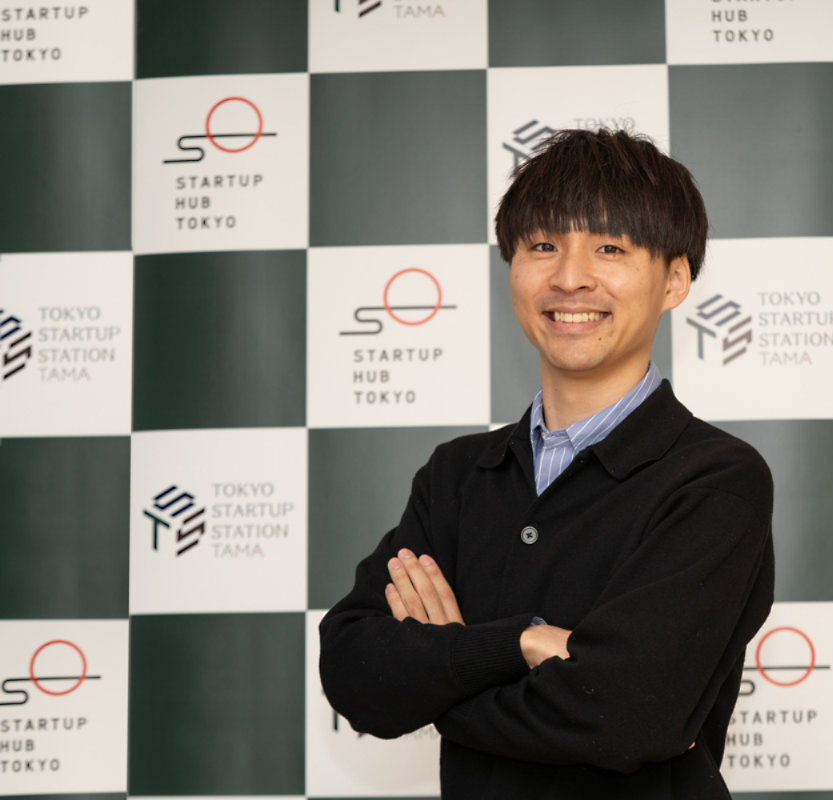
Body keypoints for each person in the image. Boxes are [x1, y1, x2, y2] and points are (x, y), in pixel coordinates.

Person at [319, 129, 775, 799]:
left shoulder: (714, 480)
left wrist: (443, 677)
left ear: (675, 279)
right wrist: (522, 645)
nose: (569, 278)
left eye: (610, 248)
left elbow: (627, 717)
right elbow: (355, 672)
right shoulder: (458, 474)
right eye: (542, 246)